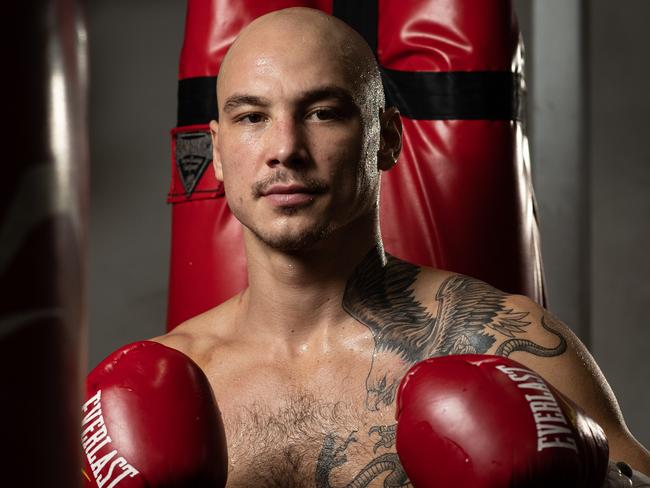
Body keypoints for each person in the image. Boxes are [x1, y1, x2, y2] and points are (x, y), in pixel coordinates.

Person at [153, 7, 650, 486]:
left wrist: (596, 477)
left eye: (324, 113)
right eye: (252, 117)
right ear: (216, 152)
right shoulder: (170, 380)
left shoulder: (502, 343)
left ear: (387, 139)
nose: (285, 148)